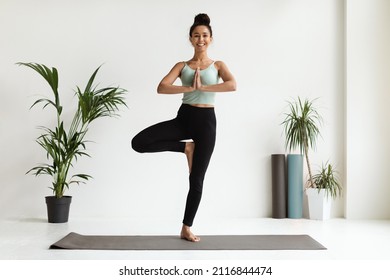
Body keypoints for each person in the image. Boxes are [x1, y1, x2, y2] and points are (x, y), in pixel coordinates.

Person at [131, 13, 236, 242]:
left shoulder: (217, 65)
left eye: (205, 35)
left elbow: (232, 85)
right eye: (196, 35)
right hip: (184, 118)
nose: (201, 39)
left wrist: (205, 89)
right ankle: (185, 148)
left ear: (211, 38)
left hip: (206, 122)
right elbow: (162, 87)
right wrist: (189, 88)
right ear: (190, 39)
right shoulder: (182, 65)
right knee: (138, 143)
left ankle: (186, 227)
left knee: (196, 179)